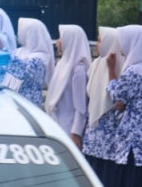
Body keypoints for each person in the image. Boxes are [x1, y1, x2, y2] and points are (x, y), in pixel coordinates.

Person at [82, 27, 122, 183]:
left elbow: (118, 100)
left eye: (100, 40)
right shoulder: (96, 64)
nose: (97, 44)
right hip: (92, 138)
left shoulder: (120, 66)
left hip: (109, 142)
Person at [106, 24, 142, 187]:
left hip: (133, 143)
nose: (120, 50)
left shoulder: (133, 72)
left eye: (123, 43)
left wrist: (112, 73)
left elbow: (118, 100)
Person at [46, 24, 90, 148]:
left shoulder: (78, 69)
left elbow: (80, 106)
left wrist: (76, 133)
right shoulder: (62, 64)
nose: (57, 42)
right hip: (56, 124)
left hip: (68, 129)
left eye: (61, 38)